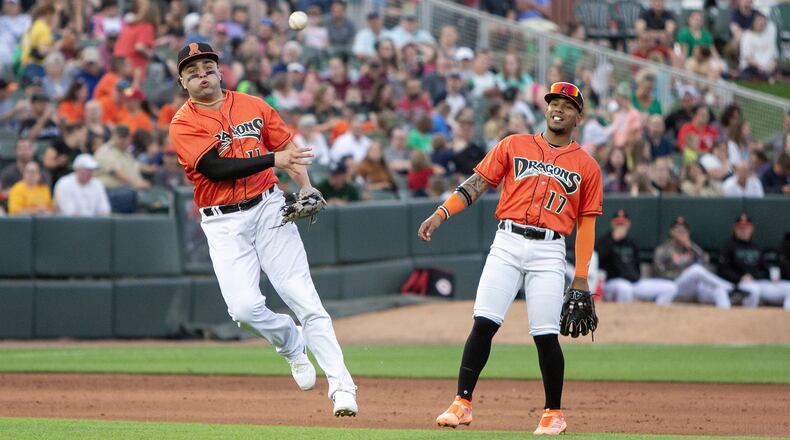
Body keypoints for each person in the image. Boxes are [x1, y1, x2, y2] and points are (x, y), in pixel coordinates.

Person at [168, 43, 357, 416]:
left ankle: (342, 386)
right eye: (193, 72)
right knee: (243, 309)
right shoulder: (183, 123)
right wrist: (273, 159)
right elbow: (216, 168)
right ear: (182, 81)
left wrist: (305, 186)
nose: (202, 75)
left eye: (207, 67)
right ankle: (290, 342)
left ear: (220, 71)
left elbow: (289, 149)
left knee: (303, 297)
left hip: (270, 207)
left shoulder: (254, 105)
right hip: (222, 221)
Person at [419, 82, 603, 435]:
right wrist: (442, 212)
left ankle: (553, 413)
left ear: (578, 116)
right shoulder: (514, 145)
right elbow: (476, 183)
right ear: (546, 108)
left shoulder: (587, 166)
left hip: (549, 249)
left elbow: (587, 224)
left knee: (546, 334)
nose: (558, 109)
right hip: (506, 241)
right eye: (554, 102)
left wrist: (581, 277)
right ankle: (462, 403)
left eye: (567, 105)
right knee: (484, 323)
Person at [634, 216, 734, 308]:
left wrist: (691, 247)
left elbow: (704, 261)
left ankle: (726, 315)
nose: (682, 233)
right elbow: (658, 272)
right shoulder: (663, 249)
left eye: (684, 230)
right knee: (695, 270)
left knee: (719, 291)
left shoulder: (692, 248)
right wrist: (680, 274)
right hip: (673, 286)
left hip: (693, 286)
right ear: (671, 232)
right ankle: (732, 288)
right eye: (678, 230)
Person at [718, 213, 790, 309]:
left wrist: (768, 274)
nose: (743, 231)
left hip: (759, 282)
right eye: (740, 228)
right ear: (734, 230)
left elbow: (763, 268)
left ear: (752, 230)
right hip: (741, 283)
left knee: (788, 288)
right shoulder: (728, 246)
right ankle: (747, 320)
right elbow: (723, 269)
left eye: (746, 228)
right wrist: (740, 277)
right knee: (753, 291)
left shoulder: (756, 247)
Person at [93, 124, 151, 212]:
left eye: (126, 137)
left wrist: (154, 169)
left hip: (129, 190)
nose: (123, 140)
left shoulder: (126, 153)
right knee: (131, 195)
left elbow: (137, 166)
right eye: (120, 137)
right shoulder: (105, 151)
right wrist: (137, 183)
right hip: (110, 192)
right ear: (113, 137)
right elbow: (116, 172)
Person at [597, 210, 641, 303]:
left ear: (628, 224)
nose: (620, 226)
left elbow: (637, 266)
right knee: (625, 288)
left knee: (668, 289)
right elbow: (599, 260)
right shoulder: (604, 240)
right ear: (612, 223)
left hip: (634, 283)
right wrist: (613, 240)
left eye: (623, 224)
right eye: (618, 223)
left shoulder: (632, 242)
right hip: (611, 283)